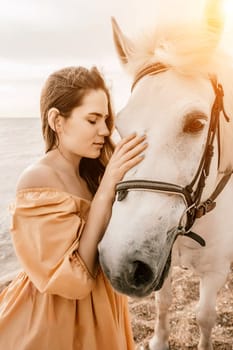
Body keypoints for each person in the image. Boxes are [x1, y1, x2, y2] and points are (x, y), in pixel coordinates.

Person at [0, 66, 147, 350]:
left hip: (105, 309)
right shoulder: (38, 180)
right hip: (54, 319)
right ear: (57, 120)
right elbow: (74, 281)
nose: (104, 131)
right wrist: (106, 191)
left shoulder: (92, 173)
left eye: (105, 119)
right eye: (92, 120)